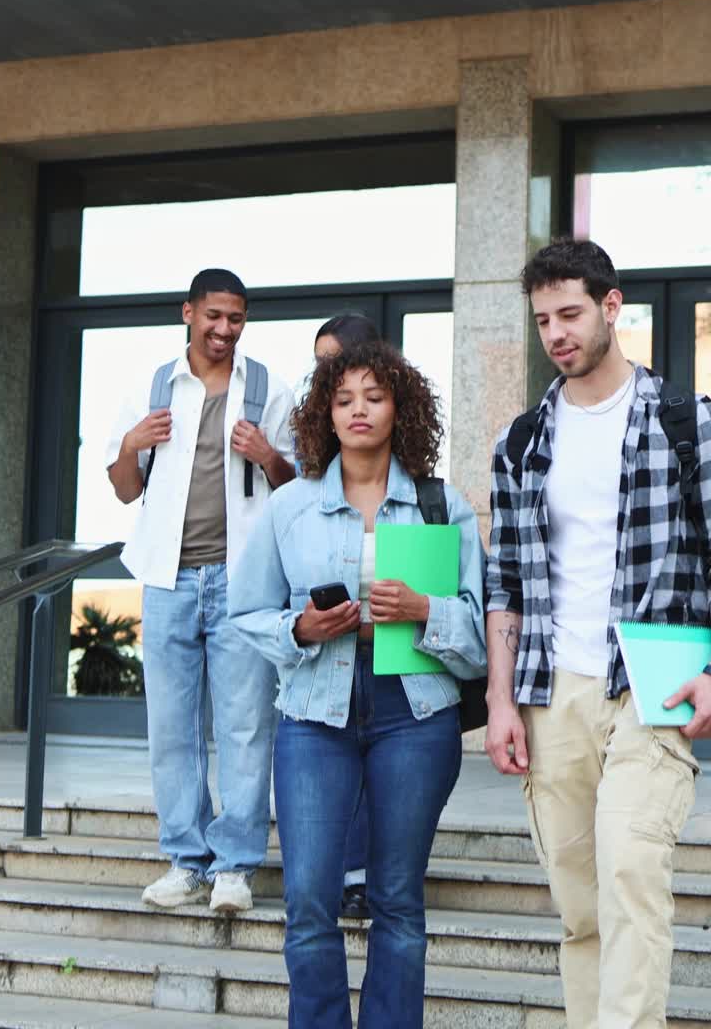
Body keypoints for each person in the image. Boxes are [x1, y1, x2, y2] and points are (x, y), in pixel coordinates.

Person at [485, 237, 711, 1029]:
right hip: (554, 693)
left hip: (651, 683)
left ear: (613, 307)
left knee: (630, 874)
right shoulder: (521, 443)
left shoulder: (688, 425)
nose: (556, 332)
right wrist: (501, 700)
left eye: (570, 312)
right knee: (579, 905)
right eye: (543, 318)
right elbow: (504, 584)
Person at [228, 341, 486, 1029]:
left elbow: (482, 630)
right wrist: (301, 630)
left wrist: (427, 612)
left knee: (397, 899)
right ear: (325, 415)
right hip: (314, 713)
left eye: (374, 397)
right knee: (310, 899)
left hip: (415, 712)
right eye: (344, 400)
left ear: (399, 407)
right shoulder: (290, 508)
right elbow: (245, 612)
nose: (359, 411)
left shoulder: (442, 505)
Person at [106, 267, 296, 912]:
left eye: (235, 318)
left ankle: (235, 868)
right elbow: (126, 487)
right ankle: (186, 862)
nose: (223, 329)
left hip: (243, 583)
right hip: (168, 578)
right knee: (172, 730)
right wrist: (132, 444)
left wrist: (268, 455)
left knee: (245, 725)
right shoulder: (156, 384)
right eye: (213, 315)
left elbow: (295, 486)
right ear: (188, 313)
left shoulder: (268, 387)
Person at [312, 313, 381, 919]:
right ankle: (336, 870)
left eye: (331, 359)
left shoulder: (407, 473)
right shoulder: (309, 477)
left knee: (375, 773)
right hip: (322, 650)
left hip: (389, 652)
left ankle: (362, 874)